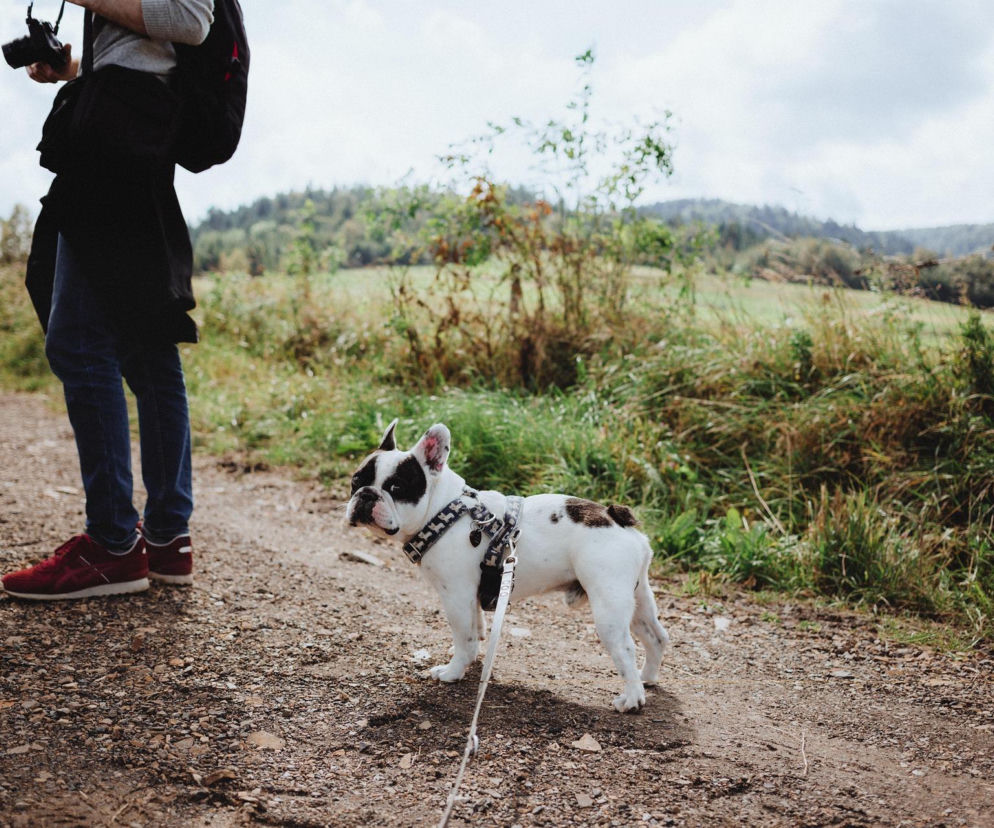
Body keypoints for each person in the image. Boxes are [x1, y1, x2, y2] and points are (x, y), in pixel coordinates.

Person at [2, 0, 215, 600]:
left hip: (118, 138)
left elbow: (191, 18)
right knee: (146, 345)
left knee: (79, 343)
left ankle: (114, 546)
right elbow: (151, 47)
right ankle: (168, 539)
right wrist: (73, 68)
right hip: (131, 127)